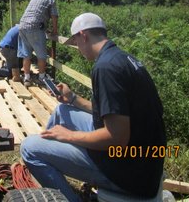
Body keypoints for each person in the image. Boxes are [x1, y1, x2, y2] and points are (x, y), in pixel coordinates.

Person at [20, 13, 166, 201]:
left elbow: (117, 138)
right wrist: (72, 98)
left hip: (127, 170)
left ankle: (61, 184)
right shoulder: (122, 58)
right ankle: (53, 163)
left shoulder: (105, 69)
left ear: (83, 35)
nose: (78, 48)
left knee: (29, 148)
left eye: (76, 42)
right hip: (144, 158)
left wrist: (69, 136)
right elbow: (113, 111)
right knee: (62, 112)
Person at [18, 0, 58, 87]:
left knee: (26, 54)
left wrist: (44, 28)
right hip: (35, 27)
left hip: (22, 26)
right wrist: (55, 31)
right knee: (42, 55)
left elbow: (36, 13)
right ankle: (41, 78)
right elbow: (54, 16)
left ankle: (27, 78)